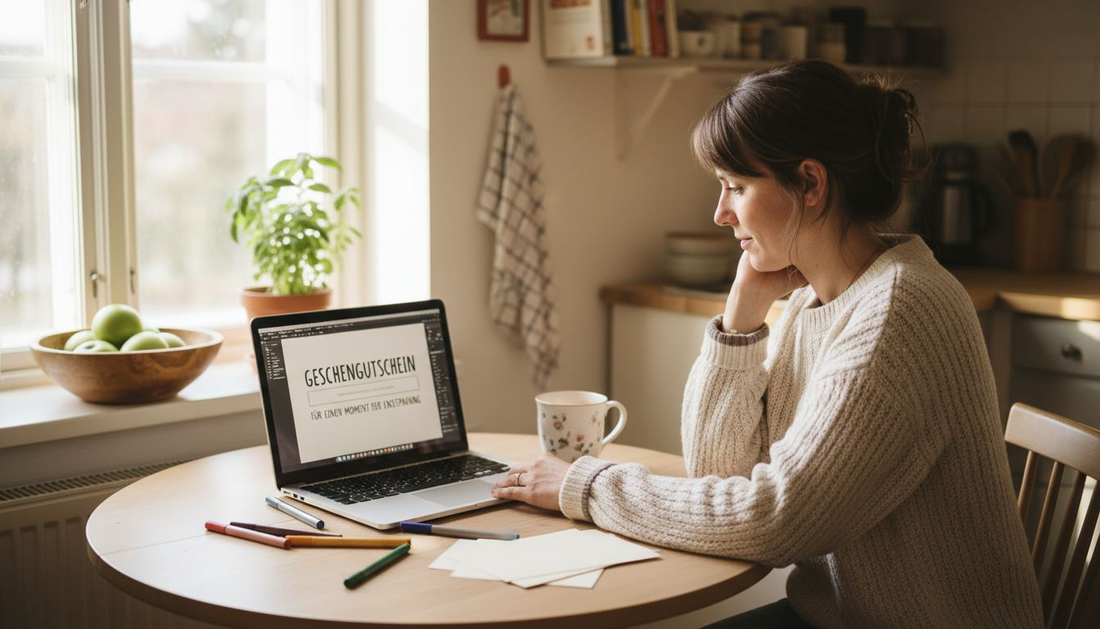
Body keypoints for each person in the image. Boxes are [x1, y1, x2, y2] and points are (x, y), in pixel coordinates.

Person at [492, 59, 1043, 628]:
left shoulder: (897, 312)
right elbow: (719, 472)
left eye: (736, 186)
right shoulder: (818, 300)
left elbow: (777, 519)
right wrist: (740, 321)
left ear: (809, 182)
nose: (720, 213)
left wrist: (585, 485)